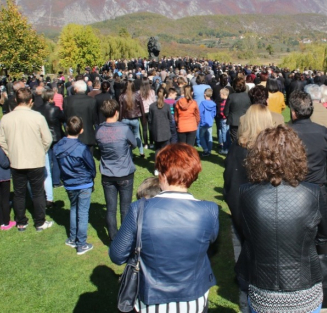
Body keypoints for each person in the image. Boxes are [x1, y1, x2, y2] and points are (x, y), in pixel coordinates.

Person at [109, 143, 219, 313]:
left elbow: (117, 255)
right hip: (194, 300)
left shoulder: (139, 208)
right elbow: (211, 245)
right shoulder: (209, 210)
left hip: (151, 301)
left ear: (162, 174)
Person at [236, 125, 327, 313]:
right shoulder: (313, 193)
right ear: (296, 154)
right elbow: (324, 234)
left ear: (259, 156)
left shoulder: (246, 194)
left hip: (264, 291)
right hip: (304, 291)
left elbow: (246, 234)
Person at [0, 87, 53, 231]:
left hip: (18, 160)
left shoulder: (6, 118)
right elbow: (48, 139)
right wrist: (40, 151)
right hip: (32, 160)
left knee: (19, 192)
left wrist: (10, 153)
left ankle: (22, 221)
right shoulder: (36, 117)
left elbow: (2, 140)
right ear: (30, 101)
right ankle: (39, 221)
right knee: (37, 192)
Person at [223, 104, 275, 239]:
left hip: (246, 210)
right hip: (270, 213)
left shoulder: (238, 148)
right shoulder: (274, 148)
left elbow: (231, 181)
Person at [54, 116, 96, 255]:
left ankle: (72, 238)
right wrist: (92, 177)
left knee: (74, 209)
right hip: (83, 183)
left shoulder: (58, 146)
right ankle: (81, 244)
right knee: (82, 212)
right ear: (81, 130)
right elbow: (91, 166)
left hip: (69, 183)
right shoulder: (82, 148)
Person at [96, 99, 137, 241]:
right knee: (125, 207)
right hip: (123, 173)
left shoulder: (100, 130)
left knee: (111, 208)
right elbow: (134, 143)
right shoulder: (124, 129)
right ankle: (124, 238)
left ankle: (114, 238)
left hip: (109, 173)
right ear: (116, 112)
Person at [288, 90, 327, 203]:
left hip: (293, 188)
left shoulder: (285, 132)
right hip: (316, 186)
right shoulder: (323, 131)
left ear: (293, 112)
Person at [63, 80, 97, 154]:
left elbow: (65, 117)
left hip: (72, 135)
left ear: (75, 89)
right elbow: (94, 118)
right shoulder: (92, 101)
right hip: (87, 135)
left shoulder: (67, 100)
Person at [148, 88, 175, 165]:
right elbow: (170, 118)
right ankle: (166, 165)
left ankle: (157, 167)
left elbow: (149, 120)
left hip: (156, 132)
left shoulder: (152, 106)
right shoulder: (166, 106)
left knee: (158, 149)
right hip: (165, 131)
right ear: (165, 95)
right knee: (166, 150)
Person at [119, 80, 145, 157]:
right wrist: (143, 118)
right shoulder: (137, 95)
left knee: (127, 137)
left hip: (125, 119)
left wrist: (120, 119)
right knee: (137, 135)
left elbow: (120, 110)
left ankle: (130, 154)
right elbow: (142, 107)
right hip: (135, 119)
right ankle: (141, 151)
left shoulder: (121, 96)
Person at [224, 76, 251, 143]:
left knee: (235, 140)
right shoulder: (248, 96)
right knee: (244, 139)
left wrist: (228, 116)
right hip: (245, 121)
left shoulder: (231, 96)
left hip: (234, 121)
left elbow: (226, 111)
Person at [199, 88, 217, 157]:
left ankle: (205, 149)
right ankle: (209, 150)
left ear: (204, 94)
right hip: (210, 122)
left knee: (201, 136)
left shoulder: (203, 103)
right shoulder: (213, 104)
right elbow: (214, 113)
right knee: (209, 137)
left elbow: (200, 113)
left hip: (203, 122)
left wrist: (201, 120)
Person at [139, 78, 156, 149]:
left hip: (142, 111)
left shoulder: (138, 92)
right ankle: (151, 143)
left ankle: (145, 143)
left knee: (144, 128)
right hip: (150, 110)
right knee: (151, 127)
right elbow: (154, 101)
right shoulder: (152, 92)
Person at [0, 147, 14, 230]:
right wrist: (10, 160)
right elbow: (4, 163)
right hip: (3, 177)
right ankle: (6, 222)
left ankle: (1, 222)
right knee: (5, 200)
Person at [217, 88, 230, 154]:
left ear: (223, 94)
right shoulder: (229, 101)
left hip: (223, 119)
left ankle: (225, 148)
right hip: (228, 119)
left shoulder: (223, 102)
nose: (219, 95)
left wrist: (220, 115)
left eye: (220, 94)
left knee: (224, 134)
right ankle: (228, 147)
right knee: (227, 134)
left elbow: (222, 112)